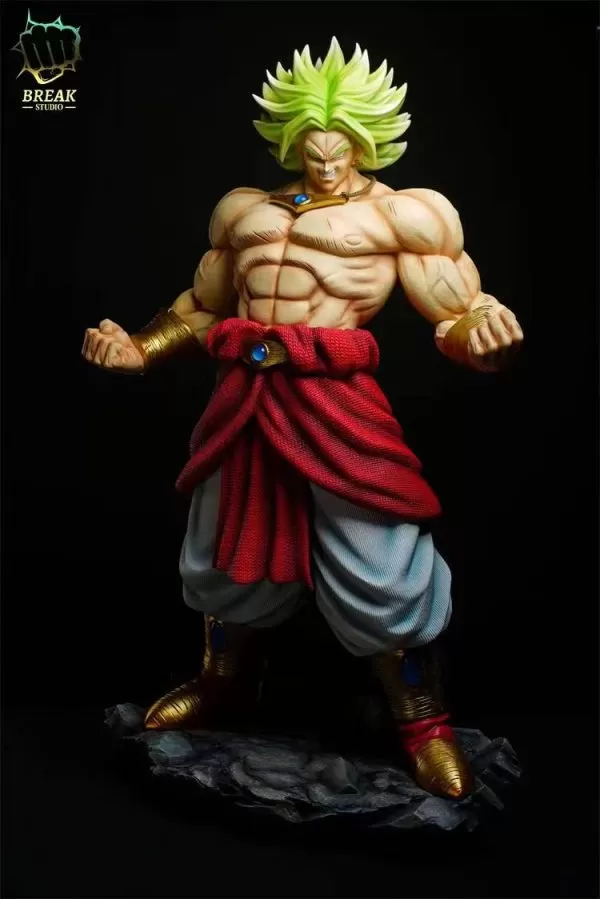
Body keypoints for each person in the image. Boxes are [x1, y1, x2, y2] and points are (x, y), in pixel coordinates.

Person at [82, 37, 523, 800]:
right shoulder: (245, 211)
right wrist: (141, 349)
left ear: (367, 140)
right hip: (244, 400)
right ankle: (225, 683)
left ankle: (422, 720)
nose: (325, 160)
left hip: (334, 403)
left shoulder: (403, 216)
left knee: (382, 563)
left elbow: (458, 311)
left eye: (340, 146)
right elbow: (203, 306)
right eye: (312, 145)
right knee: (223, 547)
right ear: (289, 139)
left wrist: (486, 338)